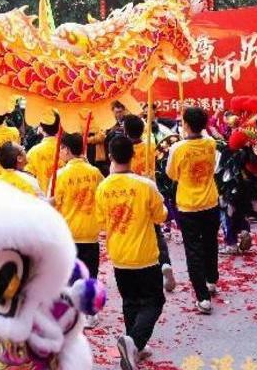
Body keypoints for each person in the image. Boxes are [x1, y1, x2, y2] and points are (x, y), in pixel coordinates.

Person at [96, 137, 167, 369]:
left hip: (119, 255)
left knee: (131, 301)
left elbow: (101, 222)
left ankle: (134, 345)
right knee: (155, 301)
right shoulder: (145, 185)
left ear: (110, 156)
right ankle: (134, 341)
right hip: (144, 256)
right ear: (133, 155)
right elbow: (161, 216)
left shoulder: (103, 187)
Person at [166, 107, 220, 314]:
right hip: (210, 201)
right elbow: (213, 166)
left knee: (193, 249)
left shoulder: (178, 148)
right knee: (210, 242)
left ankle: (203, 297)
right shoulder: (211, 143)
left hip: (188, 204)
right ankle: (211, 280)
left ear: (186, 124)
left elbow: (171, 173)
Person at [122, 115, 177, 292]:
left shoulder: (124, 149)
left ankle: (139, 270)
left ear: (125, 130)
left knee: (133, 232)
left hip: (130, 195)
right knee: (156, 232)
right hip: (150, 189)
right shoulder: (150, 145)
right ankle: (165, 263)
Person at [54, 133, 104, 285]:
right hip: (90, 235)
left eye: (61, 148)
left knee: (71, 283)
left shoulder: (60, 175)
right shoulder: (94, 173)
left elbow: (54, 204)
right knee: (90, 281)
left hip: (69, 234)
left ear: (67, 150)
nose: (60, 152)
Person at [25, 111, 60, 195]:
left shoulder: (34, 151)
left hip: (43, 197)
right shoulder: (65, 149)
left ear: (41, 128)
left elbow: (28, 177)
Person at [88, 101, 128, 176]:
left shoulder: (126, 122)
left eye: (120, 112)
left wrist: (88, 140)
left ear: (124, 111)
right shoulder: (108, 122)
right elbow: (103, 136)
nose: (118, 114)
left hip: (121, 152)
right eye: (116, 112)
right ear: (112, 112)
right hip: (107, 154)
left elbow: (101, 137)